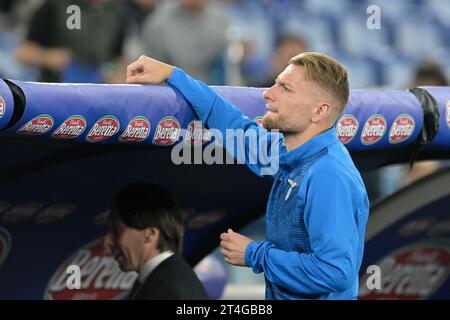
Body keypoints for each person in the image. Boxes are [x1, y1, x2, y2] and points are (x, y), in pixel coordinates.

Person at [126, 52, 370, 300]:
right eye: (275, 83)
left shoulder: (328, 175)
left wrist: (255, 254)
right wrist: (172, 74)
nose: (268, 94)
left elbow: (335, 272)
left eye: (285, 89)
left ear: (319, 111)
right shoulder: (288, 152)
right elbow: (234, 125)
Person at [103, 183, 209, 300]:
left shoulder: (166, 291)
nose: (107, 242)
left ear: (150, 234)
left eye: (116, 231)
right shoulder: (166, 279)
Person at [15, 0, 127, 83]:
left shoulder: (116, 12)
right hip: (56, 92)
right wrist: (47, 57)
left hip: (96, 96)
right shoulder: (53, 5)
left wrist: (116, 74)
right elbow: (23, 53)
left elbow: (118, 58)